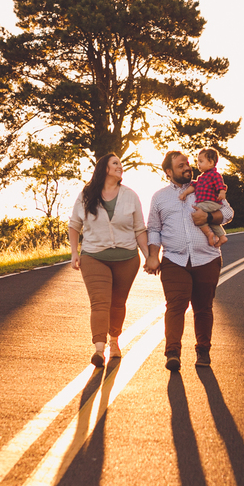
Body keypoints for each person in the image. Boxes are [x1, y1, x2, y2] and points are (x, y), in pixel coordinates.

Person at [144, 150, 234, 371]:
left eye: (187, 163)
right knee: (175, 305)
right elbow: (154, 229)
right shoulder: (159, 197)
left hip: (207, 259)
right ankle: (172, 353)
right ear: (168, 172)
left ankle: (203, 350)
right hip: (174, 260)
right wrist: (152, 256)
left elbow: (228, 212)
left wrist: (209, 217)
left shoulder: (206, 185)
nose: (187, 167)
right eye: (180, 165)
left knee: (203, 308)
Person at [68, 153, 149, 368]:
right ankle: (99, 349)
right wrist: (74, 252)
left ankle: (114, 341)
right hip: (94, 257)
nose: (120, 167)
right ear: (104, 168)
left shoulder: (130, 195)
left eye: (121, 164)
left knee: (118, 303)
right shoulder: (86, 194)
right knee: (100, 302)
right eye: (115, 163)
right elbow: (74, 224)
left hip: (127, 258)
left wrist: (150, 256)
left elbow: (140, 229)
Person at [177, 147, 228, 248]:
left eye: (201, 161)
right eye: (197, 161)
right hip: (206, 204)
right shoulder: (201, 178)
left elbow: (220, 184)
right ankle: (222, 236)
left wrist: (222, 192)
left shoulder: (214, 175)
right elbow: (193, 187)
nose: (198, 164)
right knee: (209, 220)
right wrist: (185, 193)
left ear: (211, 163)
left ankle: (208, 234)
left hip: (210, 202)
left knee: (197, 216)